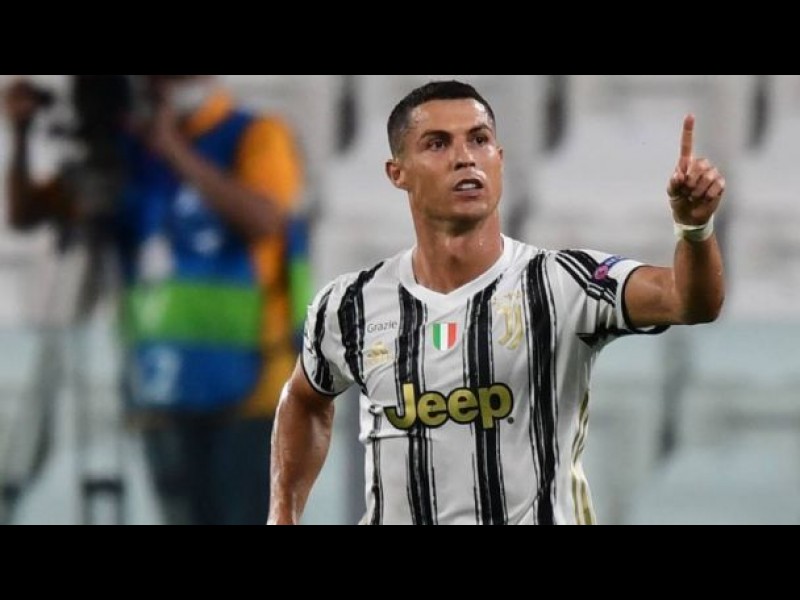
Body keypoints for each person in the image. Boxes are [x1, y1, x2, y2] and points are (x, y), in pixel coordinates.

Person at [268, 80, 725, 525]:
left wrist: (694, 229)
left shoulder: (564, 283)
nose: (465, 157)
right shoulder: (350, 305)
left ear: (499, 159)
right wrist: (282, 513)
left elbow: (689, 301)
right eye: (437, 144)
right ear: (397, 173)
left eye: (479, 139)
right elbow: (305, 399)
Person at [5, 75, 308, 525]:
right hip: (160, 388)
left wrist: (173, 150)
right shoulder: (129, 154)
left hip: (252, 388)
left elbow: (265, 220)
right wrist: (21, 135)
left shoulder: (254, 134)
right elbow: (27, 214)